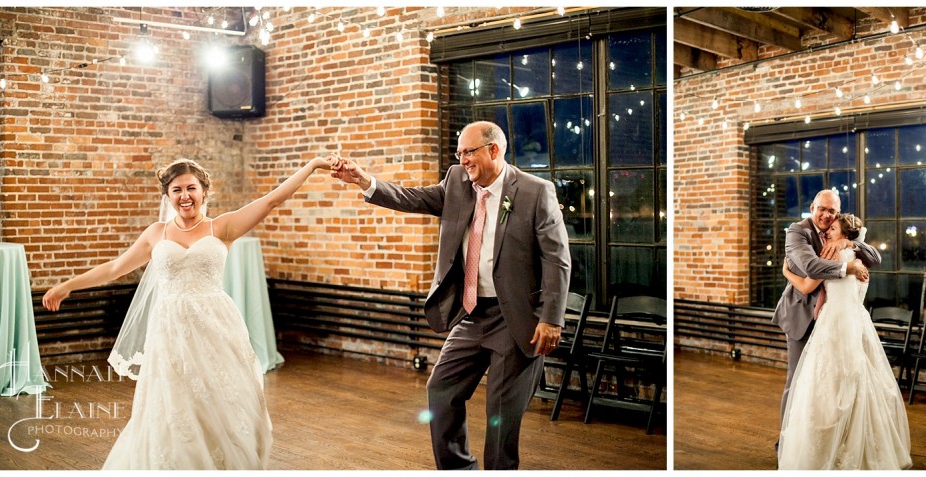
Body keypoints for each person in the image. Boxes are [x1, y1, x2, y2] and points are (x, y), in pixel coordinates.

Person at [42, 156, 335, 469]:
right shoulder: (156, 233)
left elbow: (273, 200)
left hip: (216, 327)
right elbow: (115, 268)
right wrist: (67, 286)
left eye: (191, 188)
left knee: (222, 401)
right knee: (174, 406)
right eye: (176, 189)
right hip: (170, 331)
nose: (185, 195)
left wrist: (314, 164)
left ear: (204, 191)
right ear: (167, 195)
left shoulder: (222, 226)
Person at [329, 121, 571, 470]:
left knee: (500, 416)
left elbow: (557, 258)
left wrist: (551, 318)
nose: (462, 160)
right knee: (440, 391)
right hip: (471, 314)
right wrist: (365, 181)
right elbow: (411, 197)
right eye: (459, 153)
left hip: (516, 319)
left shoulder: (535, 191)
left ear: (493, 150)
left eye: (468, 152)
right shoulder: (456, 182)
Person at [777, 214, 911, 469]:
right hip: (857, 322)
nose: (828, 232)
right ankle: (858, 444)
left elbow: (806, 286)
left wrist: (786, 272)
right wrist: (850, 248)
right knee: (858, 382)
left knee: (826, 385)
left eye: (834, 229)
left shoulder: (834, 256)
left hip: (835, 324)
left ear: (846, 235)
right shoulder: (860, 260)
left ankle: (828, 445)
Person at [771, 189, 880, 439]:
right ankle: (787, 441)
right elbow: (811, 266)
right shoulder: (797, 232)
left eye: (832, 211)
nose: (826, 215)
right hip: (802, 316)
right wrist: (848, 267)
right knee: (797, 381)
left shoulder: (840, 233)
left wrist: (849, 244)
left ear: (837, 213)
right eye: (822, 208)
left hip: (833, 320)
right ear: (812, 207)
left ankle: (819, 437)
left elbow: (876, 257)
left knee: (824, 383)